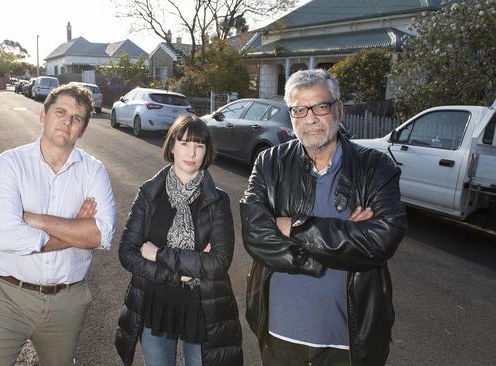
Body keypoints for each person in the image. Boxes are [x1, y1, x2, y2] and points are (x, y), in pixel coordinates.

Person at [240, 69, 407, 366]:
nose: (311, 119)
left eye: (320, 106)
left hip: (348, 339)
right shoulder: (270, 163)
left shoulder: (375, 167)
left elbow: (382, 239)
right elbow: (254, 233)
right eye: (299, 110)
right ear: (291, 115)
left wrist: (292, 226)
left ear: (338, 109)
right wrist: (342, 238)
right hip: (280, 333)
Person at [0, 84, 116, 366]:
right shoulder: (9, 164)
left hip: (67, 301)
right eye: (61, 112)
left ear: (82, 129)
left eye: (77, 118)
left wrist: (35, 219)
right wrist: (75, 230)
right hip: (9, 297)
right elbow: (7, 237)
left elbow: (102, 235)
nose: (67, 121)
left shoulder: (93, 170)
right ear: (43, 115)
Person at [115, 116, 243, 366]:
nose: (192, 153)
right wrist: (179, 274)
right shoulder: (149, 192)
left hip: (203, 308)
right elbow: (127, 252)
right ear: (172, 146)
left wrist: (159, 255)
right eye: (184, 143)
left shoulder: (218, 200)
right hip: (155, 304)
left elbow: (218, 262)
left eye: (199, 146)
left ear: (207, 152)